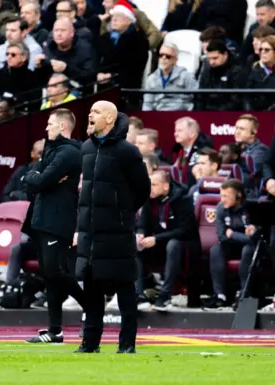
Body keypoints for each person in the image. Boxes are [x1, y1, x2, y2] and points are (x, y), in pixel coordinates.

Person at [75, 101, 150, 353]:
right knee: (91, 288)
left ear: (109, 119)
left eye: (95, 112)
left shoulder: (127, 151)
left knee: (124, 286)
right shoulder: (85, 148)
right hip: (90, 231)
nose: (90, 114)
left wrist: (122, 212)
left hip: (117, 230)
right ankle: (90, 343)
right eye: (90, 110)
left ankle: (127, 344)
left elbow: (143, 189)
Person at [22, 109, 84, 344]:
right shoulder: (51, 149)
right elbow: (31, 179)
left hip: (57, 219)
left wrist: (38, 178)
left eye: (50, 124)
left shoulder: (68, 152)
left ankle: (91, 305)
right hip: (41, 217)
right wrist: (36, 177)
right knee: (49, 276)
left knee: (55, 272)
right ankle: (55, 330)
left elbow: (42, 180)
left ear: (63, 127)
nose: (46, 128)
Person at [136, 170, 200, 310]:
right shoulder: (149, 199)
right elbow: (142, 223)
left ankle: (165, 296)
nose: (149, 188)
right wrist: (140, 234)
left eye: (154, 185)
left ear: (165, 186)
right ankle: (138, 295)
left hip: (185, 244)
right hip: (159, 243)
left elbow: (184, 230)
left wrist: (156, 238)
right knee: (136, 246)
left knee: (173, 245)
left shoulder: (183, 199)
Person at [208, 179, 258, 309]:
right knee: (215, 249)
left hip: (249, 247)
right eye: (221, 195)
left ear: (238, 196)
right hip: (230, 245)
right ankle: (220, 295)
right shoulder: (220, 208)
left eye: (226, 196)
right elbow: (221, 236)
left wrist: (233, 234)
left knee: (248, 249)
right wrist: (240, 236)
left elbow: (254, 239)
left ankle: (244, 293)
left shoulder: (251, 208)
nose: (222, 199)